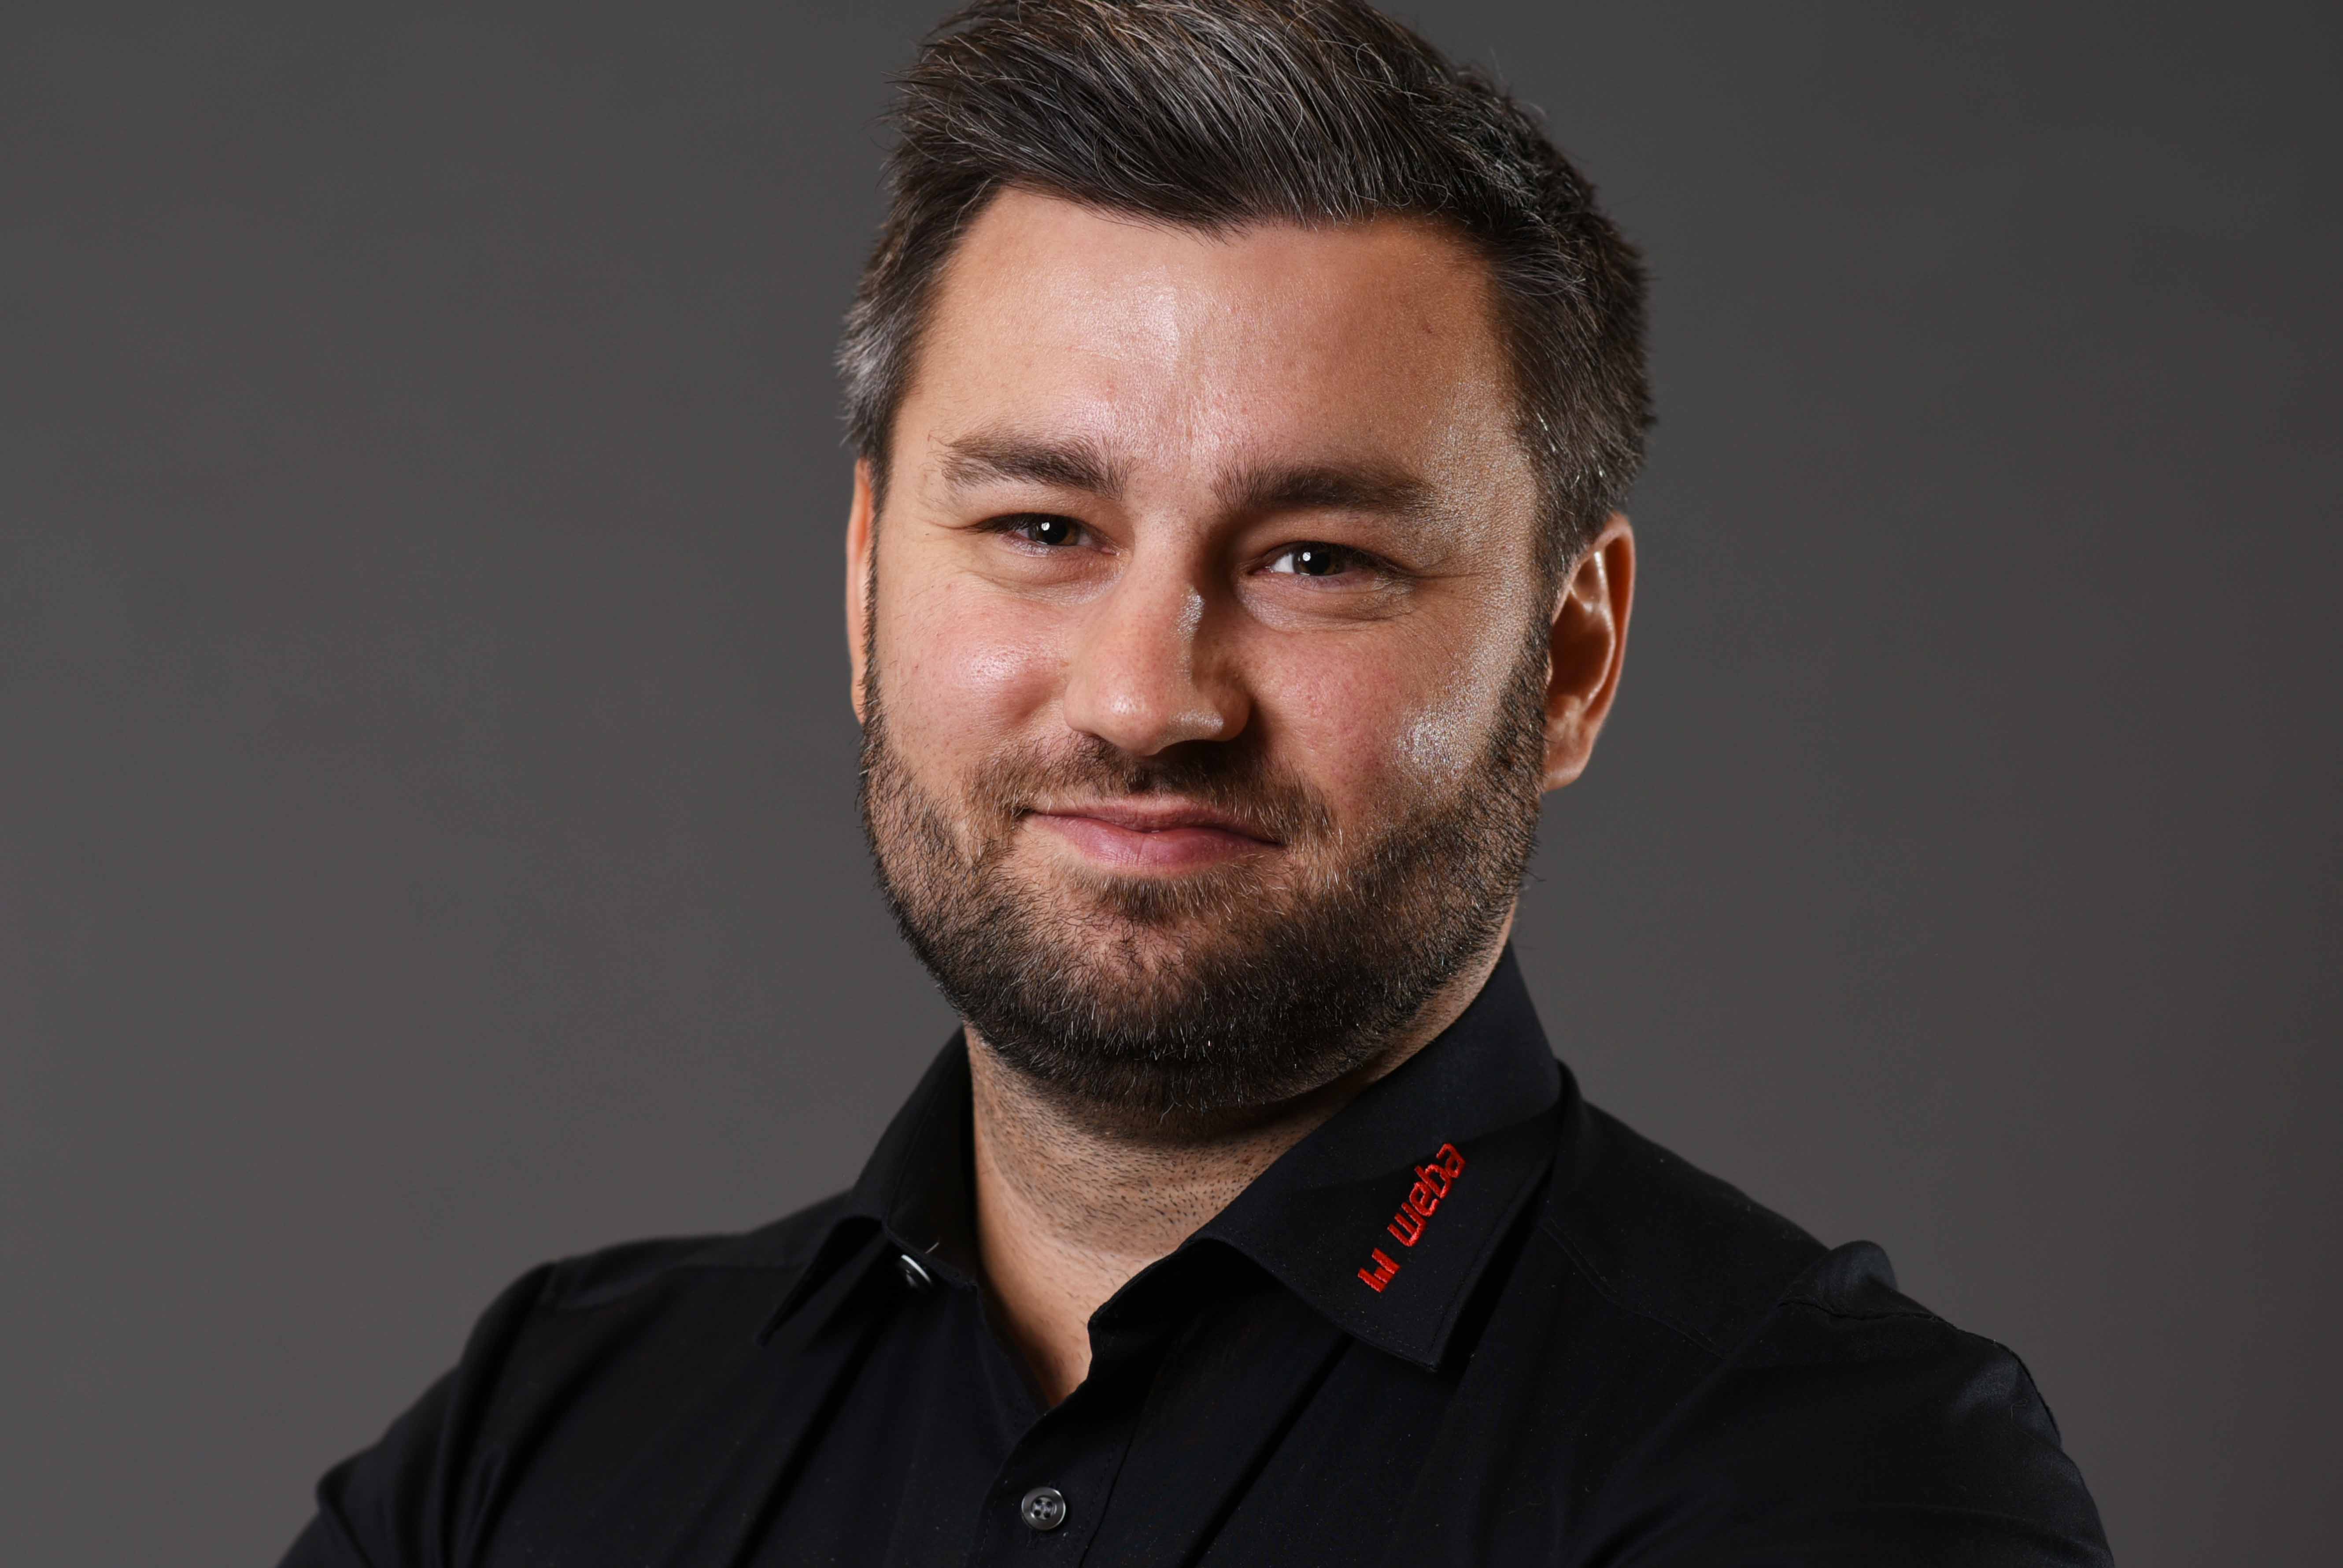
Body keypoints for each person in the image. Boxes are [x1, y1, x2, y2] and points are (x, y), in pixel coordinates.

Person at [281, 2, 2110, 1562]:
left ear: (1569, 656)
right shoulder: (539, 1445)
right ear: (863, 585)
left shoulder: (1825, 1481)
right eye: (1043, 525)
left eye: (1316, 556)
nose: (1148, 695)